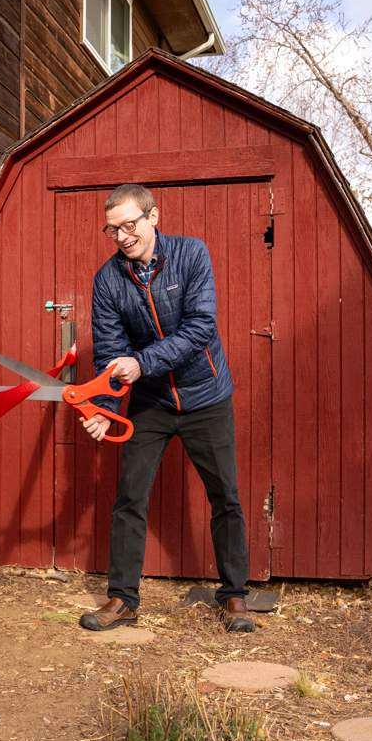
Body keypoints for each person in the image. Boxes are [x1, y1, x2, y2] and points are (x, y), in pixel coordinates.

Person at [77, 184, 254, 634]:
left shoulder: (192, 255)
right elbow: (112, 355)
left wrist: (143, 363)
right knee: (130, 498)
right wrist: (103, 407)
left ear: (154, 217)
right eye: (112, 229)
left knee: (225, 498)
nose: (121, 236)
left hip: (205, 396)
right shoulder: (108, 280)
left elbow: (200, 328)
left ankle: (234, 597)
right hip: (151, 402)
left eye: (129, 224)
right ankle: (123, 600)